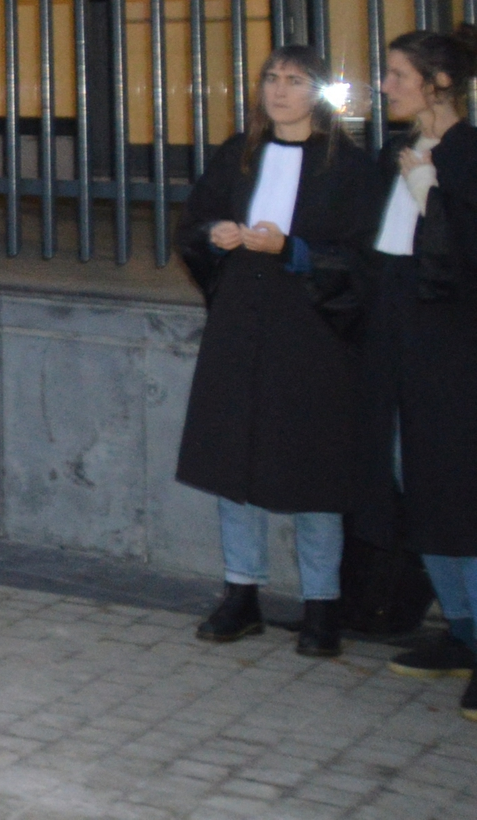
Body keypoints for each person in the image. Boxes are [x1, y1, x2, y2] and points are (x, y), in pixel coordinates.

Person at [172, 45, 382, 657]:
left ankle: (322, 606)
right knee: (233, 462)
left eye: (294, 80)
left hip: (312, 330)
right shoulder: (238, 155)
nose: (279, 91)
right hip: (242, 322)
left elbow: (366, 259)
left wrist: (292, 251)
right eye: (270, 79)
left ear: (317, 92)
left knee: (315, 470)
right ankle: (242, 593)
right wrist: (216, 235)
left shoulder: (349, 167)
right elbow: (195, 225)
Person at [354, 24, 477, 716]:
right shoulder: (394, 152)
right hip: (396, 337)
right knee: (413, 479)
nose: (386, 85)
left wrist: (431, 191)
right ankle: (460, 630)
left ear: (437, 83)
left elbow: (463, 256)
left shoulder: (468, 154)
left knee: (460, 487)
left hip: (454, 346)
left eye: (398, 74)